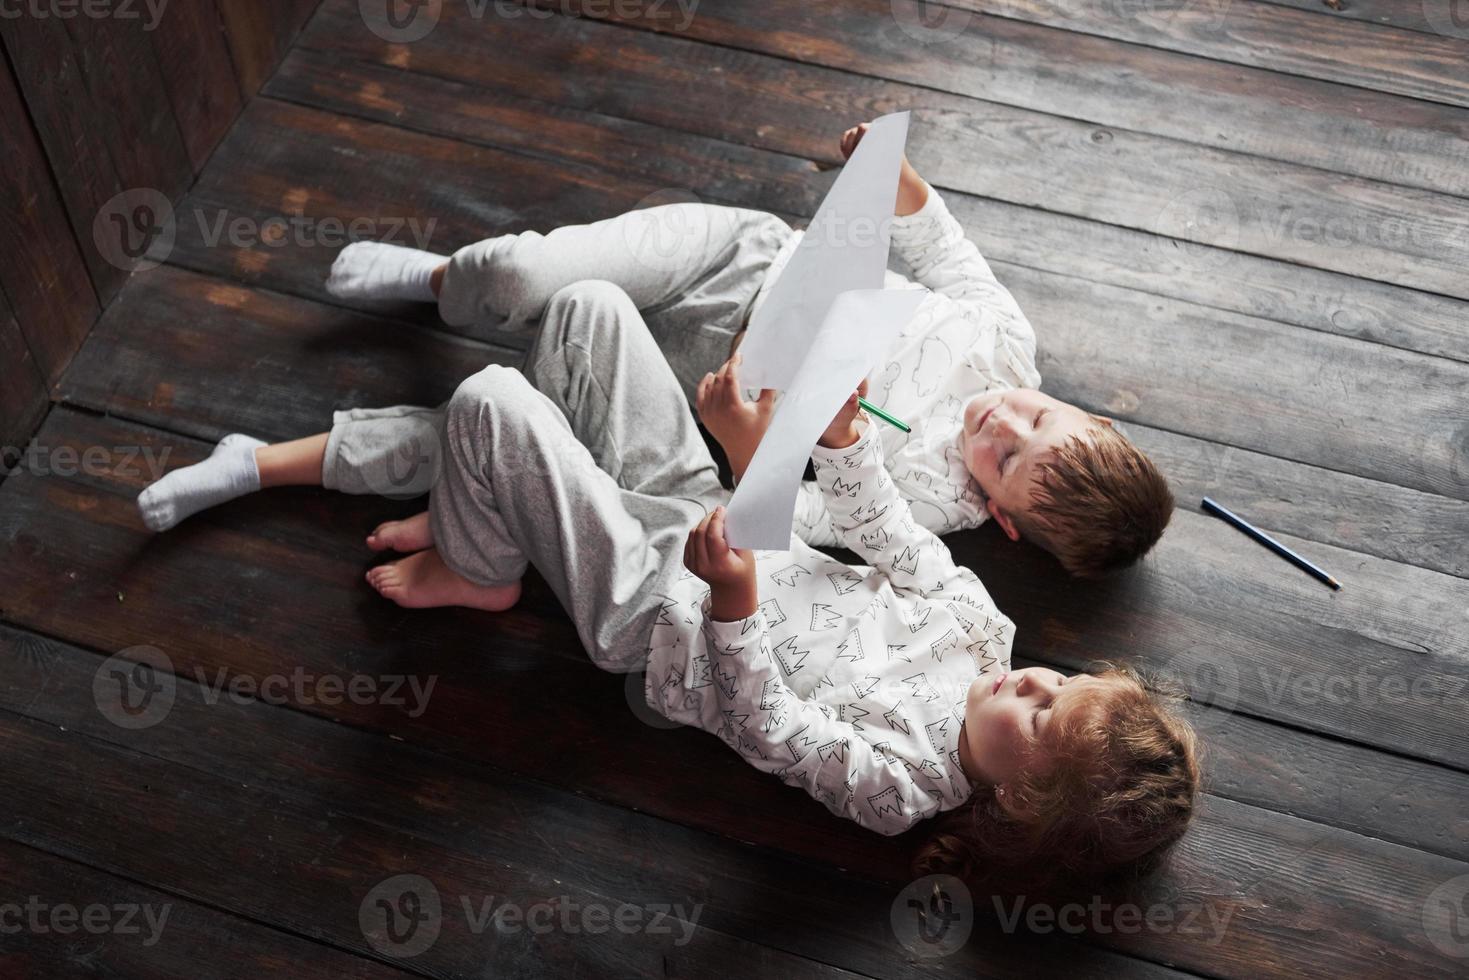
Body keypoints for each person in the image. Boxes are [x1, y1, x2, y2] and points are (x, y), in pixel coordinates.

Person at [135, 278, 1198, 881]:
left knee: (494, 400)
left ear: (1017, 792)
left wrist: (731, 603)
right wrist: (839, 444)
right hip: (722, 517)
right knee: (588, 309)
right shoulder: (981, 630)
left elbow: (769, 724)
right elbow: (885, 535)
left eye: (1041, 720)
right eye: (1062, 685)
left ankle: (479, 559)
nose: (1031, 688)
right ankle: (497, 503)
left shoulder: (899, 788)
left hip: (661, 611)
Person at [318, 122, 1174, 577]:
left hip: (699, 388)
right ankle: (441, 281)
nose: (1001, 423)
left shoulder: (924, 511)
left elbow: (781, 518)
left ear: (1003, 521)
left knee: (497, 417)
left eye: (1004, 460)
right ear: (1077, 408)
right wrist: (899, 182)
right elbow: (943, 249)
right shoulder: (1007, 344)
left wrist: (741, 441)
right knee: (514, 273)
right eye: (1034, 418)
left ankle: (438, 501)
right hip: (740, 258)